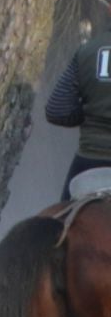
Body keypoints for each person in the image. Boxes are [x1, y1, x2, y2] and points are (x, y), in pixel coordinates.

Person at [45, 29, 111, 200]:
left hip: (90, 160)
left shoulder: (87, 50)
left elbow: (57, 110)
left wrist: (90, 117)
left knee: (62, 220)